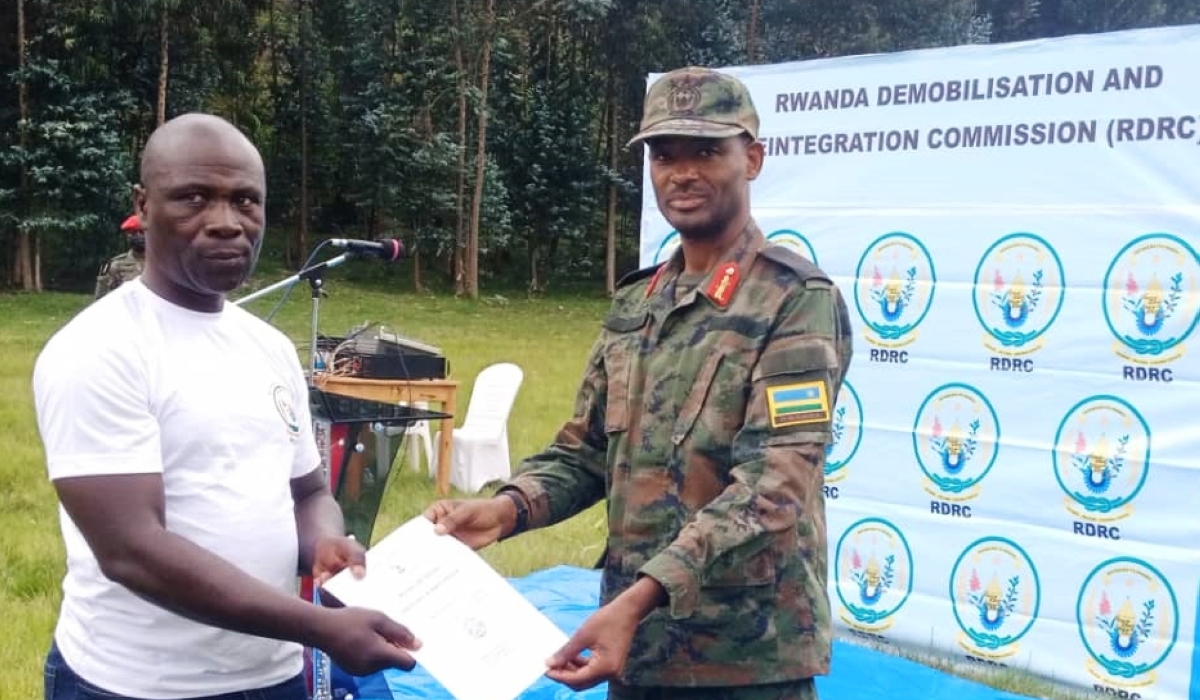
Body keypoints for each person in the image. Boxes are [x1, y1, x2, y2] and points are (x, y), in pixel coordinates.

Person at [424, 67, 854, 700]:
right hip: (637, 651)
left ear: (753, 159)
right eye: (664, 153)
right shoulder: (637, 304)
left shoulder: (794, 302)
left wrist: (639, 598)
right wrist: (504, 509)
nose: (681, 172)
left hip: (746, 658)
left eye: (707, 151)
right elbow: (585, 451)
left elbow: (775, 485)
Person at [33, 112, 420, 700]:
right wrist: (321, 627)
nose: (225, 223)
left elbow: (308, 493)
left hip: (275, 672)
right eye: (194, 198)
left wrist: (326, 544)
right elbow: (132, 551)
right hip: (138, 685)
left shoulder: (266, 347)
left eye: (245, 201)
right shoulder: (98, 349)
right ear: (143, 205)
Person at [94, 214, 147, 300]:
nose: (138, 236)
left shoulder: (161, 264)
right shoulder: (115, 265)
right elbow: (101, 299)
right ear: (127, 236)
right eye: (133, 233)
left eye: (142, 232)